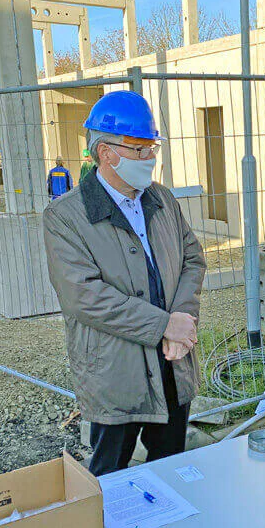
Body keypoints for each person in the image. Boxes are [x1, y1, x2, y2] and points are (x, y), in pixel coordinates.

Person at [43, 90, 206, 476]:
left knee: (170, 465)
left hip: (172, 360)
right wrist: (162, 325)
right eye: (138, 149)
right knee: (110, 475)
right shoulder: (66, 217)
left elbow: (192, 259)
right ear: (106, 154)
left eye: (151, 147)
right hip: (117, 371)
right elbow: (84, 296)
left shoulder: (162, 199)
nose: (149, 158)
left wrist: (181, 318)